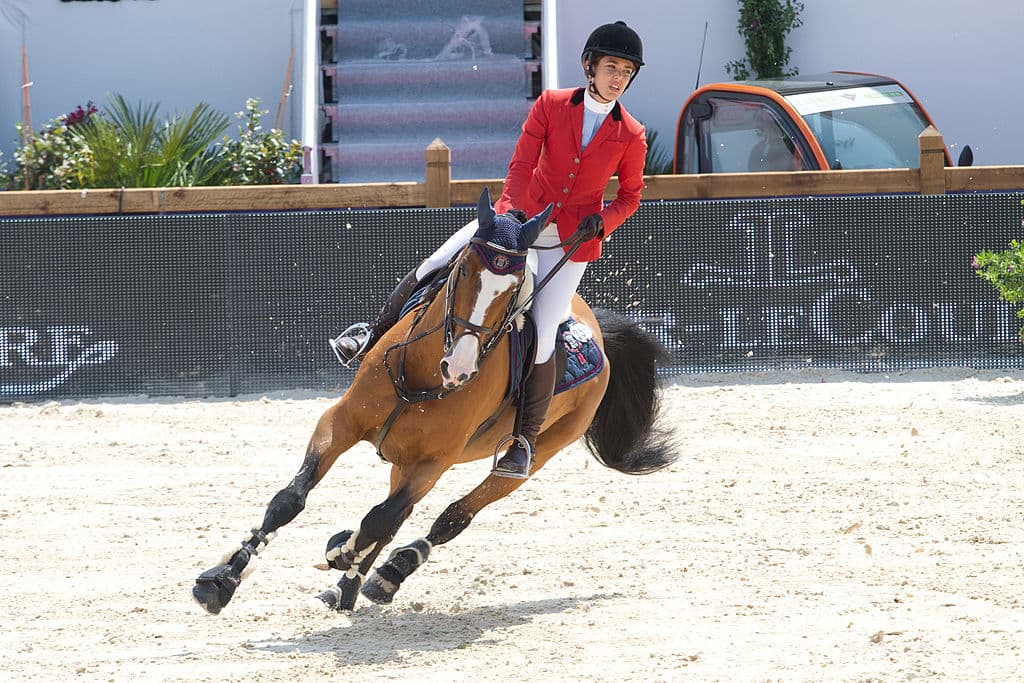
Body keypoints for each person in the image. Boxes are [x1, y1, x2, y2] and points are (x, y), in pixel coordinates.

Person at [329, 20, 648, 479]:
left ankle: (524, 439)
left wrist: (606, 221)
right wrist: (510, 216)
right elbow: (521, 162)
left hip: (569, 244)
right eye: (611, 67)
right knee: (434, 265)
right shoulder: (552, 105)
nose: (618, 77)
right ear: (590, 66)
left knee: (542, 334)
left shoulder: (631, 134)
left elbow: (630, 196)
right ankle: (369, 338)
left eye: (626, 71)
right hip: (516, 222)